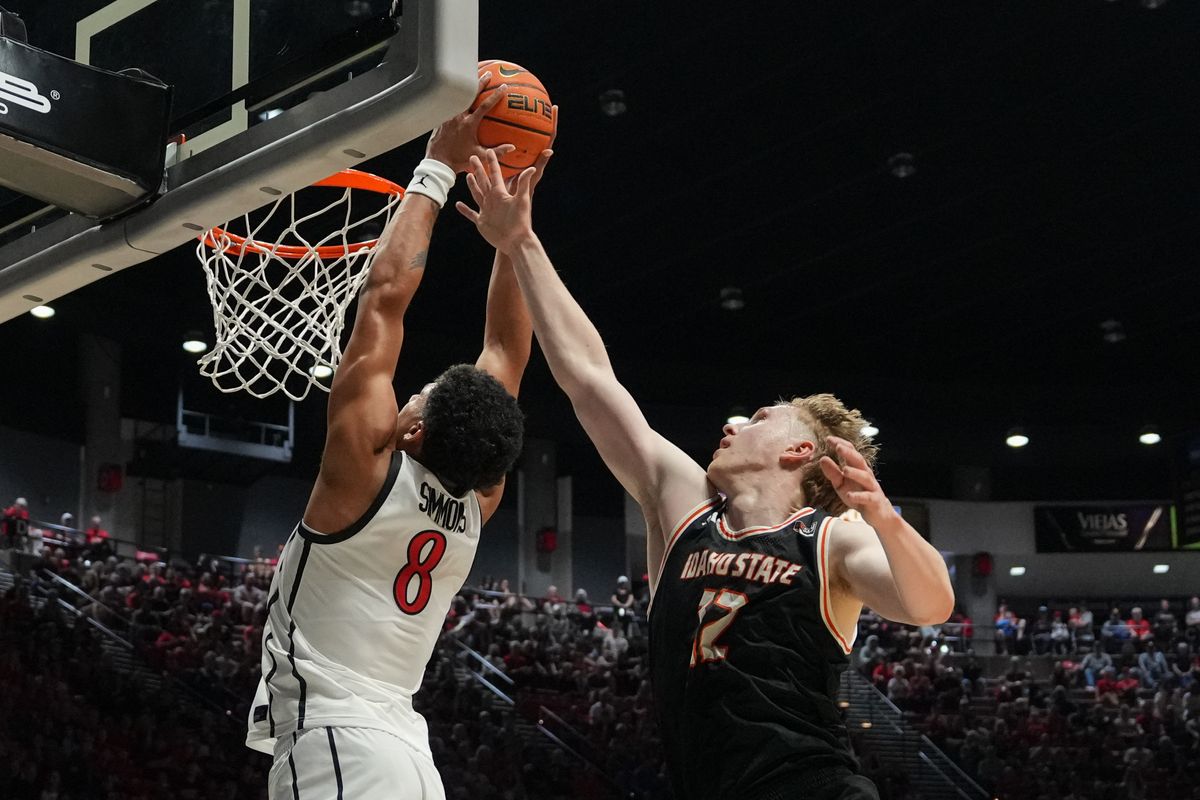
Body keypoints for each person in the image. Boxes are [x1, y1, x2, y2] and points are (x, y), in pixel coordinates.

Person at [457, 149, 954, 800]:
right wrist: (520, 241)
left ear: (800, 452)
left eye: (759, 417)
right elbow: (589, 379)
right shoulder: (685, 509)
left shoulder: (832, 539)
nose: (733, 420)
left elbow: (932, 604)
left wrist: (886, 518)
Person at [245, 82, 553, 800]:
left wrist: (437, 167)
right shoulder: (478, 499)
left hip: (340, 741)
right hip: (402, 753)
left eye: (417, 393)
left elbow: (383, 298)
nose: (407, 391)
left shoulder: (363, 472)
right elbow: (507, 352)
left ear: (412, 428)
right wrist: (515, 236)